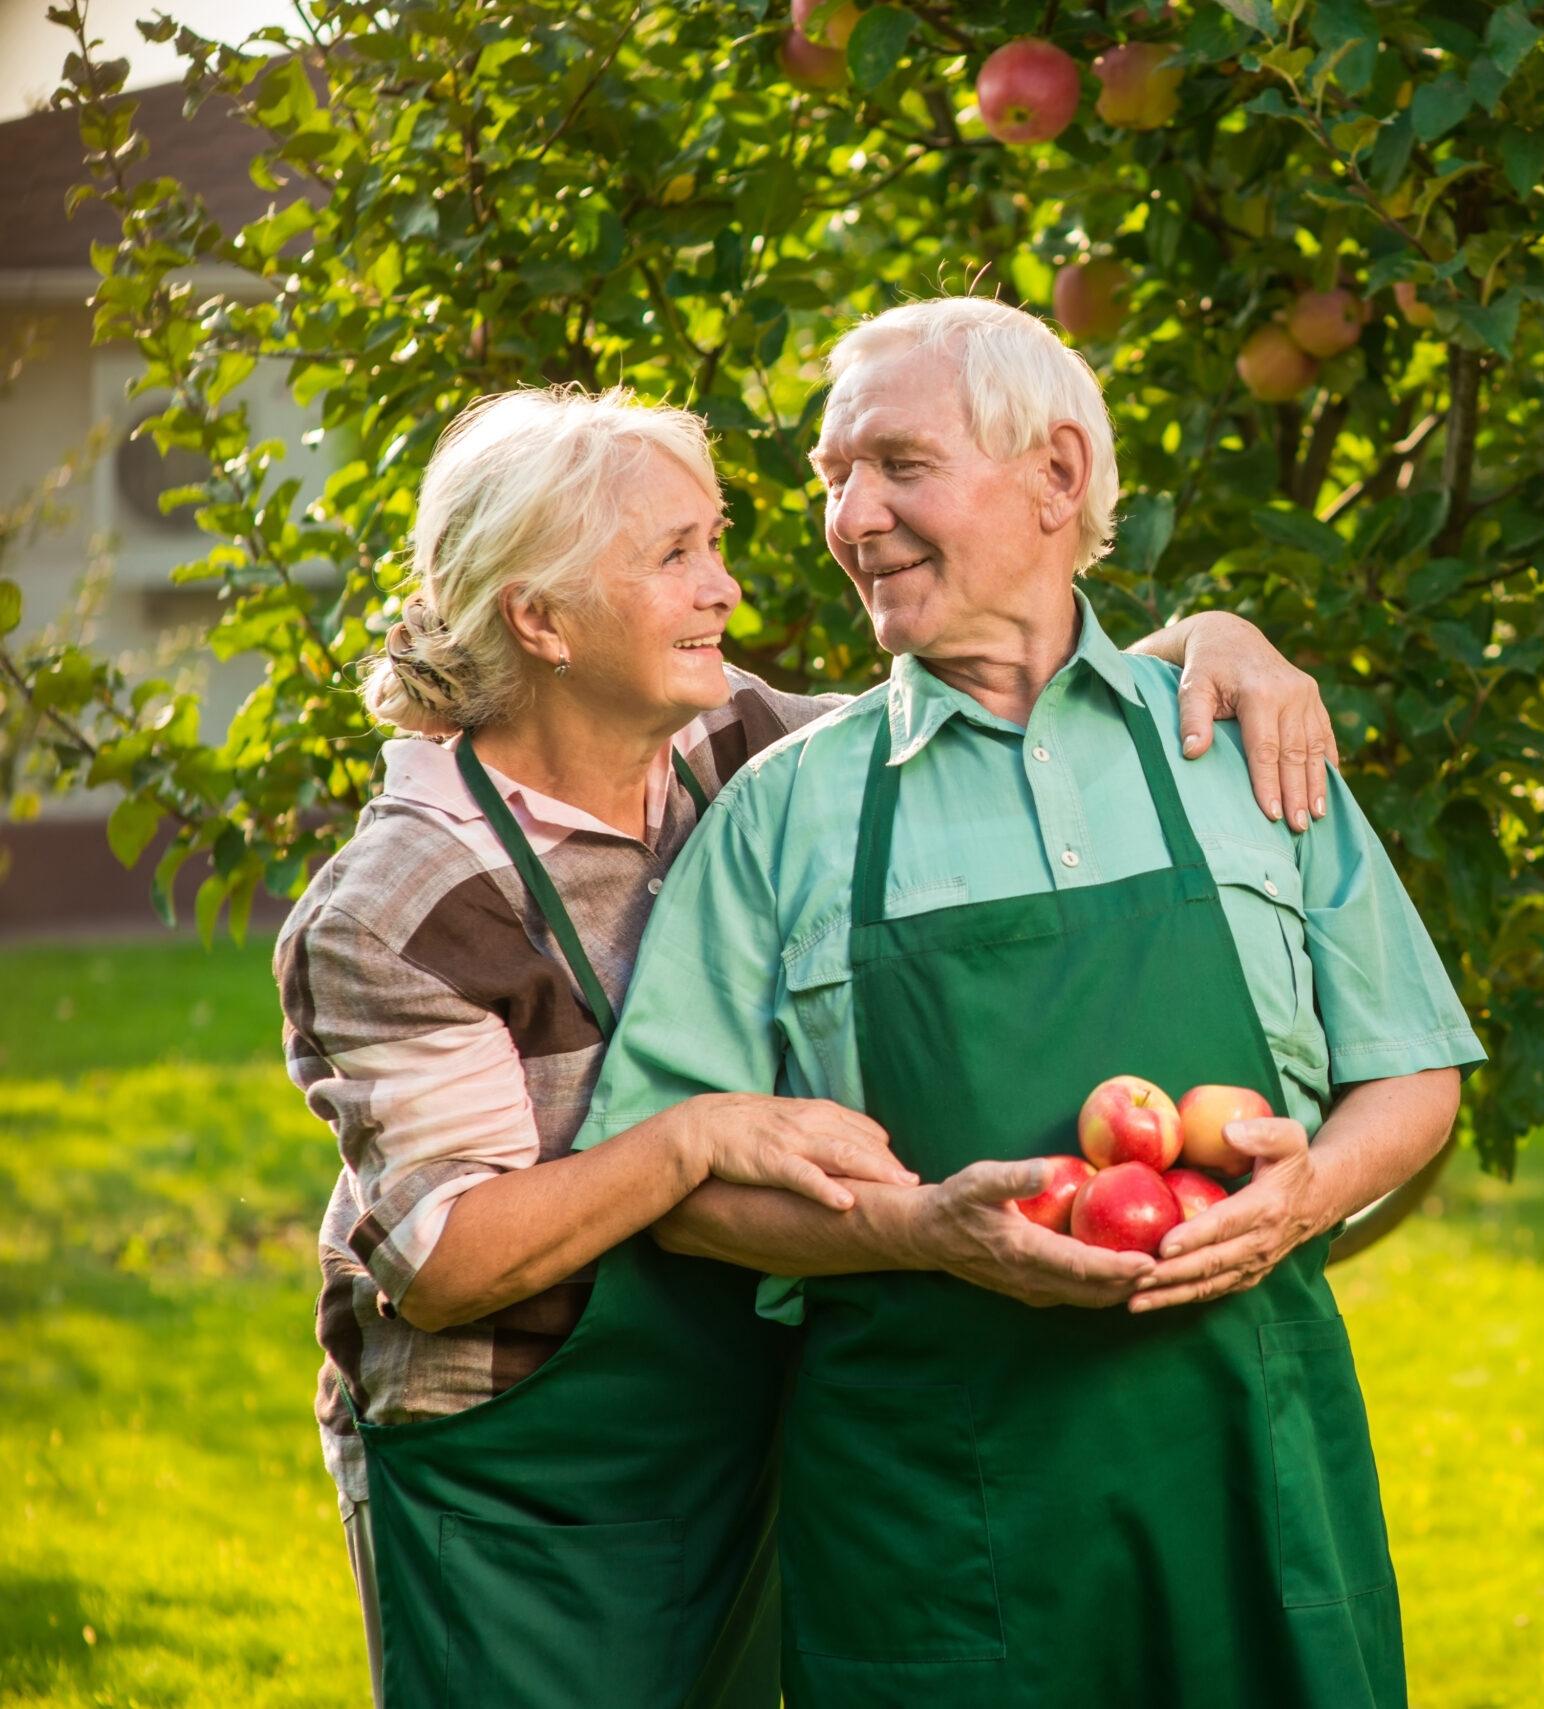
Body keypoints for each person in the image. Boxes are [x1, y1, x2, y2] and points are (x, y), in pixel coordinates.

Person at [273, 383, 1340, 1709]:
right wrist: (695, 1136)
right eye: (674, 555)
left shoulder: (742, 750)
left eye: (714, 538)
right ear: (538, 620)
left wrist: (1217, 640)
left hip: (736, 1404)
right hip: (518, 1470)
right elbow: (444, 1261)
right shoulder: (404, 906)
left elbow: (1003, 692)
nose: (724, 588)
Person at [580, 297, 1485, 1709]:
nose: (851, 517)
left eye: (897, 465)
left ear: (1058, 477)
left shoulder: (1244, 749)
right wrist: (914, 1232)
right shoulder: (785, 814)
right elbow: (669, 1177)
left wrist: (1304, 1200)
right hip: (936, 1516)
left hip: (1253, 1474)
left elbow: (1415, 1071)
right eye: (833, 478)